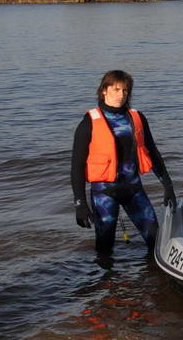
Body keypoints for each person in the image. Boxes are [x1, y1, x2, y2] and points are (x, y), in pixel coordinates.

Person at [70, 70, 175, 255]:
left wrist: (168, 186)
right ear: (104, 90)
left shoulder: (137, 118)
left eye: (125, 90)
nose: (121, 95)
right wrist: (80, 203)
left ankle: (151, 273)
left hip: (134, 190)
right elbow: (77, 166)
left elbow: (153, 153)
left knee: (156, 241)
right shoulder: (89, 122)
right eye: (116, 89)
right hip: (104, 193)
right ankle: (104, 274)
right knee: (105, 248)